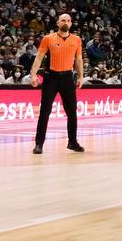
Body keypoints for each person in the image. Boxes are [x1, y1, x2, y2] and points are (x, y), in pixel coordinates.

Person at [29, 13, 85, 154]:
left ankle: (72, 142)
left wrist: (81, 76)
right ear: (58, 23)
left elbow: (78, 59)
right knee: (45, 112)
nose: (65, 22)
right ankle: (39, 144)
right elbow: (39, 57)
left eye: (68, 20)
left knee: (72, 112)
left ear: (71, 23)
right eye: (63, 20)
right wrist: (33, 74)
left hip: (67, 78)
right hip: (51, 78)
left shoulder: (76, 40)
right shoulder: (48, 38)